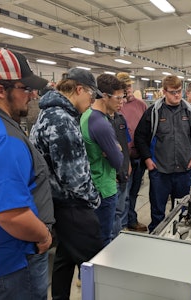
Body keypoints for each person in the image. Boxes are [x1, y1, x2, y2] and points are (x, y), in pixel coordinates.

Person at [0, 48, 54, 299]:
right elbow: (12, 214)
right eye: (25, 88)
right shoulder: (3, 140)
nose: (32, 95)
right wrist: (42, 237)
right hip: (12, 262)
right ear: (0, 91)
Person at [29, 68, 105, 300]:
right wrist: (94, 198)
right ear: (79, 89)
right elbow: (74, 177)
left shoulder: (50, 113)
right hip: (71, 204)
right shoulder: (61, 120)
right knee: (98, 264)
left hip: (54, 201)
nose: (92, 102)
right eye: (91, 95)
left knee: (65, 256)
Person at [134, 75, 191, 232]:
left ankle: (179, 236)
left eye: (179, 91)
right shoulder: (154, 113)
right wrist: (147, 158)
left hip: (184, 171)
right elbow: (140, 137)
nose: (177, 95)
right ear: (164, 92)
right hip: (160, 171)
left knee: (182, 211)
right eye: (173, 92)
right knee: (158, 211)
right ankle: (157, 235)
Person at [81, 74, 124, 245]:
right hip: (103, 188)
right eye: (118, 97)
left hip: (92, 183)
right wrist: (116, 150)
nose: (122, 101)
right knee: (103, 239)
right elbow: (118, 161)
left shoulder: (87, 115)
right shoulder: (101, 123)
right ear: (105, 96)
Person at [117, 72, 148, 232]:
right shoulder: (117, 105)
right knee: (124, 193)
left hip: (139, 157)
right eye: (124, 87)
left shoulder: (141, 105)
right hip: (123, 159)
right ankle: (121, 227)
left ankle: (131, 220)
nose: (127, 90)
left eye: (129, 86)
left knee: (135, 191)